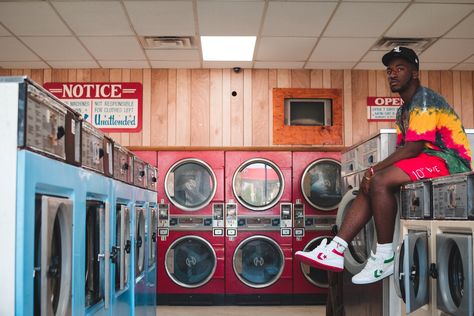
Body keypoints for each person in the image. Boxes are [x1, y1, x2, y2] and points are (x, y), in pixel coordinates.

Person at [295, 46, 473, 284]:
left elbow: (413, 148)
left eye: (400, 68)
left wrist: (373, 169)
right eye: (389, 70)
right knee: (371, 183)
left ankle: (384, 255)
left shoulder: (424, 99)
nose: (393, 74)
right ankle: (336, 249)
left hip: (451, 164)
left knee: (377, 179)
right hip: (429, 160)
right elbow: (404, 151)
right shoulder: (403, 111)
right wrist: (372, 174)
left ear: (415, 73)